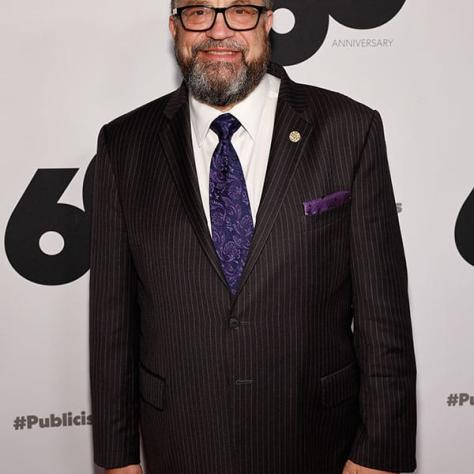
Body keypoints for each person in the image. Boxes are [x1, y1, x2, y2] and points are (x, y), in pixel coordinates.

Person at [89, 1, 417, 474]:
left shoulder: (349, 129)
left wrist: (377, 457)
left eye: (240, 10)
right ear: (174, 27)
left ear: (267, 22)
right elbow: (112, 323)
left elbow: (384, 317)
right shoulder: (124, 145)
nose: (220, 31)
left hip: (318, 445)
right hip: (182, 447)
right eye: (200, 11)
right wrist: (118, 461)